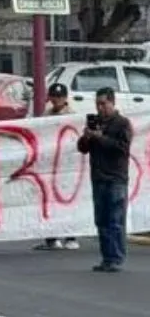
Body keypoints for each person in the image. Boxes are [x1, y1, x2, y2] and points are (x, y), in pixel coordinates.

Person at [77, 87, 132, 273]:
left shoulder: (122, 123)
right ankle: (106, 257)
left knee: (115, 219)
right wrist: (87, 136)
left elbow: (122, 149)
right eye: (97, 104)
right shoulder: (97, 123)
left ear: (112, 102)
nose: (100, 108)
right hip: (98, 177)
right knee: (101, 220)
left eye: (103, 104)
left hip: (116, 178)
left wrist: (101, 138)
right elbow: (83, 148)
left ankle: (116, 257)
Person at [35, 83, 79, 251]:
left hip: (65, 167)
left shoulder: (72, 116)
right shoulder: (45, 115)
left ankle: (71, 236)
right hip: (49, 166)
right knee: (49, 202)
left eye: (60, 97)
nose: (56, 100)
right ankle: (51, 238)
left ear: (65, 98)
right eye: (54, 96)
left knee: (67, 201)